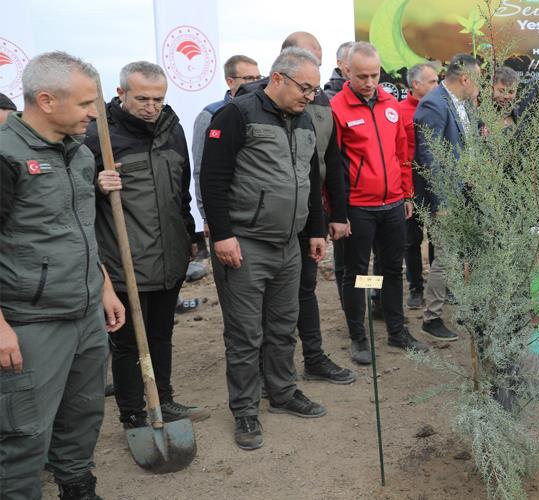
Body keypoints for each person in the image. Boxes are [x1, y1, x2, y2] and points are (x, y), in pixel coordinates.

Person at [202, 47, 348, 449]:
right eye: (305, 88)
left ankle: (282, 393)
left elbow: (310, 179)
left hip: (290, 244)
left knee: (283, 326)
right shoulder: (236, 115)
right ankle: (246, 411)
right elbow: (212, 180)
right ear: (278, 79)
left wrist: (315, 230)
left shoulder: (303, 120)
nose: (311, 97)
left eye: (316, 90)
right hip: (246, 244)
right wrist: (223, 235)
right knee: (246, 334)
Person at [0, 51, 126, 499]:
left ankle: (77, 487)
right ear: (47, 100)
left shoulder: (78, 154)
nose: (95, 114)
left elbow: (82, 230)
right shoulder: (6, 155)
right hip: (31, 322)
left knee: (83, 413)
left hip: (86, 311)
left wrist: (105, 288)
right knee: (25, 433)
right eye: (86, 104)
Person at [85, 61, 209, 429]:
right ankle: (134, 415)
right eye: (142, 98)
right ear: (121, 93)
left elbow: (181, 190)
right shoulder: (98, 138)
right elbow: (71, 200)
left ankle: (164, 400)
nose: (151, 106)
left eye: (158, 98)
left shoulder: (173, 130)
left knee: (160, 334)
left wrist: (189, 234)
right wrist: (96, 186)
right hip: (125, 262)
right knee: (126, 345)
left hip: (169, 255)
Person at [332, 41, 429, 367]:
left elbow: (402, 155)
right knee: (359, 274)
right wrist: (338, 212)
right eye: (362, 76)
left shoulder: (391, 105)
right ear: (347, 71)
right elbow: (332, 167)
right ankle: (359, 336)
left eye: (375, 75)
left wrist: (406, 194)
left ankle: (397, 331)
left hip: (392, 205)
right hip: (359, 207)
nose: (370, 82)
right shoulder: (337, 109)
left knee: (392, 269)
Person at [278, 31, 357, 385]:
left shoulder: (323, 104)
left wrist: (336, 214)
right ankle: (275, 371)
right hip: (271, 219)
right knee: (276, 299)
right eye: (305, 62)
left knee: (306, 290)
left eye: (318, 62)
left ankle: (313, 357)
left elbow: (330, 160)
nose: (314, 73)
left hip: (311, 211)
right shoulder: (252, 105)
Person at [415, 53, 483, 343]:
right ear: (465, 78)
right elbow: (429, 158)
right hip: (446, 199)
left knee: (462, 255)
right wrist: (442, 203)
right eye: (478, 79)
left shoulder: (463, 104)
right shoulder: (433, 104)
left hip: (466, 194)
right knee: (446, 258)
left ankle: (465, 306)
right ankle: (431, 318)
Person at [192, 54, 260, 221]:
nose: (256, 83)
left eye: (259, 77)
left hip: (256, 213)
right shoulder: (211, 114)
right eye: (249, 78)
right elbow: (202, 169)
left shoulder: (262, 113)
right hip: (225, 213)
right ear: (230, 81)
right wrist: (207, 216)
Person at [399, 61, 440, 310]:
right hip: (410, 185)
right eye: (432, 81)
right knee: (411, 240)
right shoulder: (399, 111)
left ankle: (439, 286)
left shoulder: (442, 108)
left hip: (435, 184)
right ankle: (415, 287)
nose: (437, 85)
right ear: (416, 85)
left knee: (438, 238)